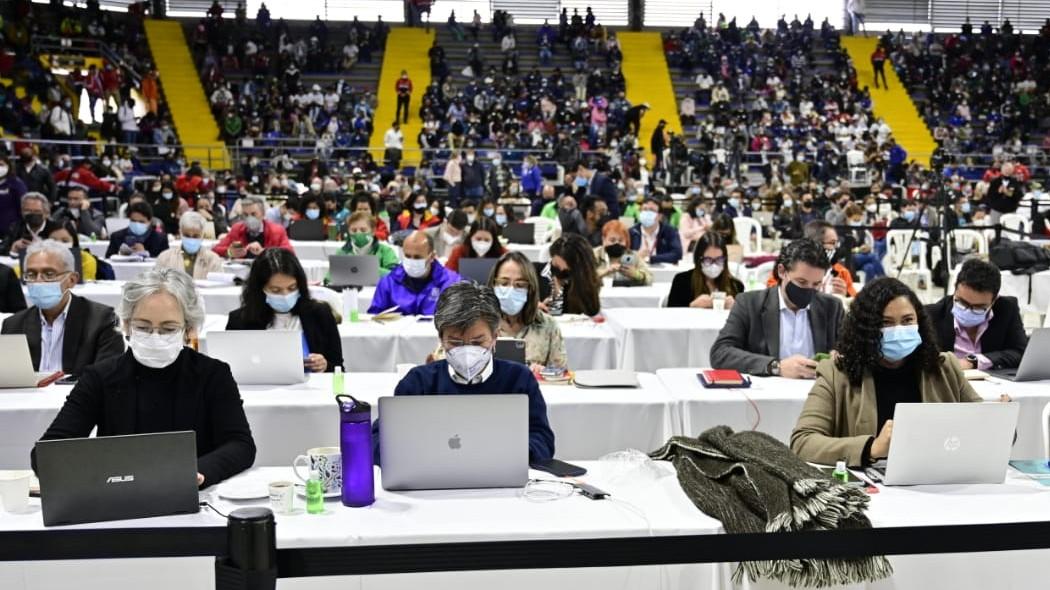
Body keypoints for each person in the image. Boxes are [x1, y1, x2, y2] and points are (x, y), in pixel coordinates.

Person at [32, 269, 256, 488]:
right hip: (118, 497)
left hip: (193, 496)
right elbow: (46, 452)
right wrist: (99, 476)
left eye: (168, 329)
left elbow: (241, 445)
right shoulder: (100, 377)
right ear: (127, 324)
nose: (155, 337)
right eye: (143, 327)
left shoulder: (213, 375)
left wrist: (199, 471)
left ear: (188, 330)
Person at [791, 278, 988, 467]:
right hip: (871, 488)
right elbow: (803, 441)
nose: (898, 330)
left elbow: (990, 432)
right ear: (866, 329)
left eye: (907, 320)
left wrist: (998, 419)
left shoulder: (945, 368)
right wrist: (870, 448)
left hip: (938, 480)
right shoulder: (836, 374)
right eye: (886, 323)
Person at [372, 281, 555, 463]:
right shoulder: (418, 382)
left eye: (477, 342)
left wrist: (510, 453)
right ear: (441, 339)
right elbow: (377, 441)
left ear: (495, 337)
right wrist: (414, 453)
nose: (467, 351)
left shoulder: (518, 379)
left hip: (499, 479)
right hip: (430, 478)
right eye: (455, 343)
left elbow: (543, 440)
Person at [709, 239, 844, 378]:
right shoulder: (750, 304)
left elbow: (849, 353)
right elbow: (720, 353)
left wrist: (840, 358)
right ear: (782, 271)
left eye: (816, 284)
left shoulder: (832, 308)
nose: (809, 289)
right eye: (801, 282)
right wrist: (776, 367)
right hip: (765, 395)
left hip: (818, 394)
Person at [2, 240, 124, 375]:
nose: (38, 281)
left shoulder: (102, 320)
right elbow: (11, 379)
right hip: (27, 396)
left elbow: (108, 377)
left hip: (79, 395)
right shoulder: (13, 325)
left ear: (72, 280)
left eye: (49, 274)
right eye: (31, 274)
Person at [226, 248, 343, 373]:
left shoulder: (319, 313)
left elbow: (339, 367)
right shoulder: (240, 320)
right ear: (259, 289)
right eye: (275, 290)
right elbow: (230, 371)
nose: (285, 295)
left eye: (292, 288)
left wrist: (325, 366)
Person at [925, 258, 1027, 371]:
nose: (968, 310)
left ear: (994, 301)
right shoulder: (932, 315)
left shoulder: (1007, 309)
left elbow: (1021, 352)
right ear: (955, 289)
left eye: (979, 307)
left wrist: (973, 361)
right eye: (962, 302)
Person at [368, 231, 462, 315]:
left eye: (417, 257)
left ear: (432, 256)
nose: (411, 261)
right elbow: (374, 318)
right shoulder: (389, 282)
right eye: (407, 256)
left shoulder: (451, 283)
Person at [667, 232, 744, 308]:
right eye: (708, 260)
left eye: (719, 260)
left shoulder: (736, 286)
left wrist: (736, 309)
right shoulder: (681, 281)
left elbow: (746, 319)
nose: (714, 265)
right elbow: (670, 316)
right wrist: (692, 306)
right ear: (698, 260)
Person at [212, 196, 294, 259]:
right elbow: (215, 250)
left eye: (253, 214)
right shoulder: (237, 228)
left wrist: (264, 252)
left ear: (263, 214)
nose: (249, 218)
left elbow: (290, 254)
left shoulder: (277, 230)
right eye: (245, 215)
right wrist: (230, 252)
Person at [154, 212, 225, 280]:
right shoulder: (165, 258)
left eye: (195, 236)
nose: (191, 239)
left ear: (202, 235)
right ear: (180, 233)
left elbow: (219, 286)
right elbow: (155, 284)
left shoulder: (213, 259)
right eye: (187, 235)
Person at [332, 211, 400, 278]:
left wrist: (370, 269)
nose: (358, 233)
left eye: (363, 230)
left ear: (373, 231)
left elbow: (395, 275)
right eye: (354, 230)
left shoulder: (386, 251)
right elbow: (329, 278)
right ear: (349, 231)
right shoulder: (342, 252)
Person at [546, 234, 601, 316]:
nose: (559, 272)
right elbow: (554, 314)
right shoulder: (537, 275)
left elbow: (591, 312)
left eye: (566, 271)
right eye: (556, 266)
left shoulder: (582, 282)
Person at [0, 192, 61, 257]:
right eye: (28, 211)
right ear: (22, 212)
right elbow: (2, 249)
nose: (32, 214)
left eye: (37, 211)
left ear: (46, 212)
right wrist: (12, 249)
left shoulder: (56, 229)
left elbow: (64, 253)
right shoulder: (15, 227)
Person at [593, 220, 652, 286]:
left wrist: (636, 274)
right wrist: (606, 271)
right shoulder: (594, 254)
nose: (616, 243)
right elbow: (584, 278)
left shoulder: (632, 255)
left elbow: (650, 278)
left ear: (626, 241)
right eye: (612, 240)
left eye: (621, 240)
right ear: (603, 240)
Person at [105, 201, 170, 258]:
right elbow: (108, 260)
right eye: (133, 221)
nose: (137, 224)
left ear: (150, 221)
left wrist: (146, 254)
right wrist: (119, 255)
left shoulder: (160, 239)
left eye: (141, 222)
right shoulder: (117, 237)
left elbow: (165, 262)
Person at [629, 197, 683, 264]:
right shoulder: (632, 231)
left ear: (659, 216)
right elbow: (621, 256)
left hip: (662, 271)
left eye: (651, 210)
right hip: (635, 270)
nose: (647, 213)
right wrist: (635, 256)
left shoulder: (669, 231)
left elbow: (677, 254)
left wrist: (650, 259)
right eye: (644, 209)